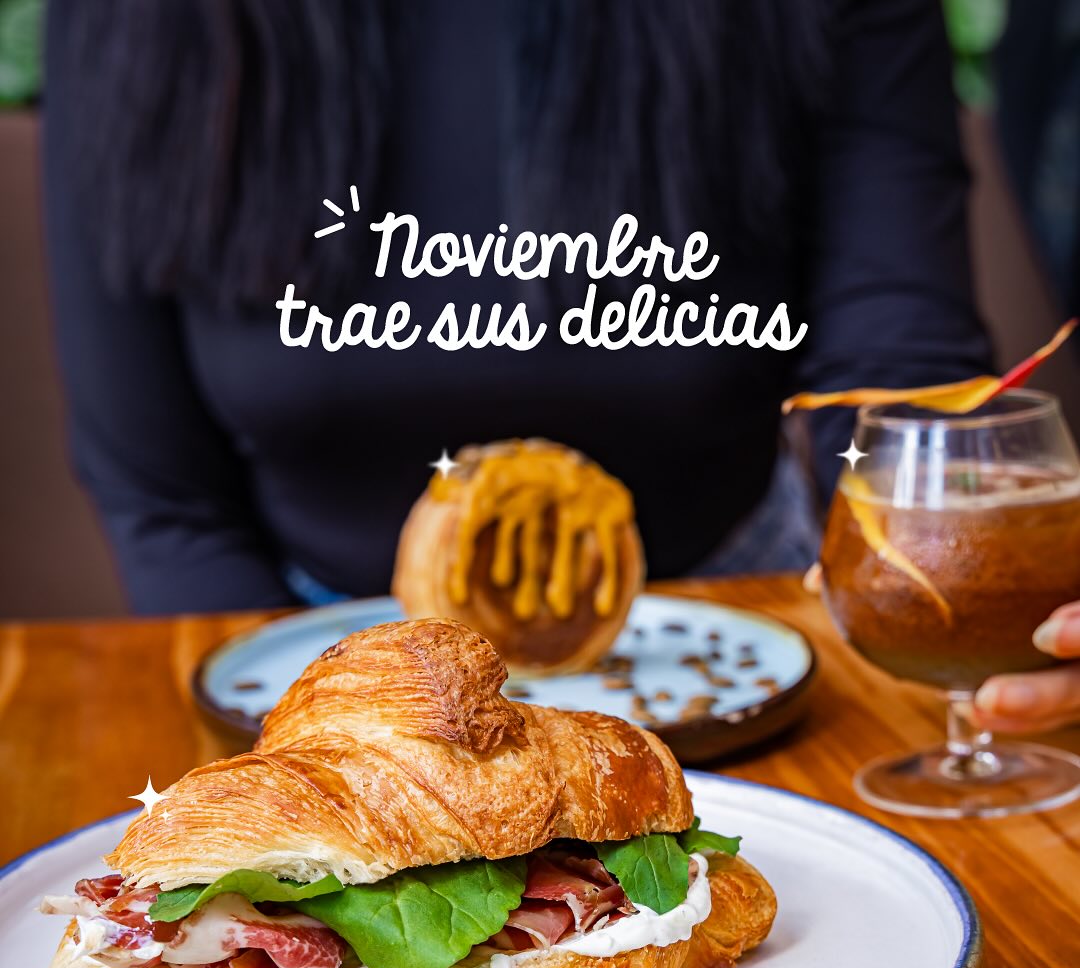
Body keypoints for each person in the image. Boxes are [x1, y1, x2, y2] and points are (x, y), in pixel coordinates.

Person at [44, 0, 992, 613]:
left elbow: (900, 366)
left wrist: (959, 571)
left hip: (731, 619)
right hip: (299, 642)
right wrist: (315, 739)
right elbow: (162, 498)